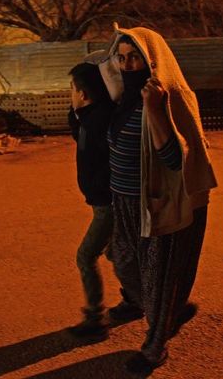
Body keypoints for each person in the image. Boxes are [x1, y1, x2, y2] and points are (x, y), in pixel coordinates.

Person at [97, 26, 217, 374]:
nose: (126, 64)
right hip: (124, 200)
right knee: (122, 261)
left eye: (134, 57)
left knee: (158, 278)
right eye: (120, 58)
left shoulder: (169, 97)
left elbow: (175, 161)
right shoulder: (123, 99)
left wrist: (157, 110)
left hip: (158, 205)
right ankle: (165, 309)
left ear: (152, 61)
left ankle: (155, 345)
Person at [66, 62, 134, 341]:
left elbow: (92, 146)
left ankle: (95, 318)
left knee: (86, 256)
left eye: (72, 89)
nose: (69, 93)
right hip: (104, 201)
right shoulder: (91, 117)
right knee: (115, 253)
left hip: (107, 203)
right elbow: (80, 138)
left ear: (83, 94)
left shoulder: (99, 121)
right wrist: (76, 113)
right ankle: (135, 300)